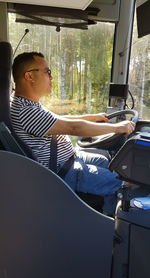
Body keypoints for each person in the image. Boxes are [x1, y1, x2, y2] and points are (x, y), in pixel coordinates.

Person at [11, 52, 135, 216]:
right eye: (47, 72)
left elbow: (60, 119)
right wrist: (118, 128)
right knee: (121, 185)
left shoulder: (28, 104)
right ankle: (108, 220)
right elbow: (73, 128)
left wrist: (93, 117)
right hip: (59, 170)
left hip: (68, 158)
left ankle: (101, 206)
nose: (51, 77)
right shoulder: (24, 110)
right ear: (29, 76)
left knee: (104, 160)